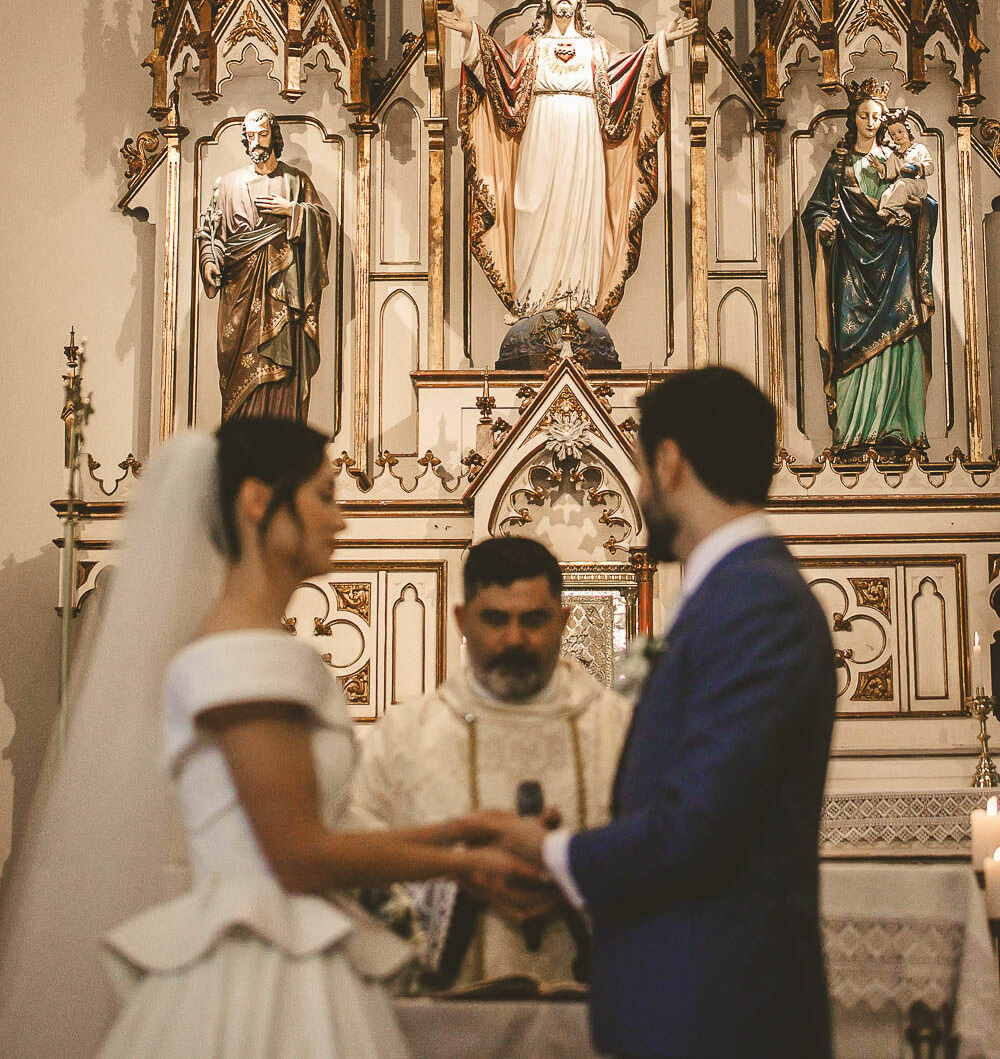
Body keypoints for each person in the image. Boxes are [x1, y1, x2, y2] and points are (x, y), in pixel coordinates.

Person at [0, 420, 547, 1058]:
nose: (340, 520)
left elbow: (303, 828)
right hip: (263, 968)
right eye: (325, 496)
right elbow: (299, 856)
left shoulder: (246, 646)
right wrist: (463, 864)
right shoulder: (246, 658)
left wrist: (461, 831)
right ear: (259, 500)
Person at [455, 368, 837, 1059]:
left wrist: (547, 850)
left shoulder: (756, 605)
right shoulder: (735, 594)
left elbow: (697, 829)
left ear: (669, 462)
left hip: (720, 1015)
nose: (638, 490)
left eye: (639, 468)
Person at [348, 536, 631, 988]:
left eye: (534, 620)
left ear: (563, 621)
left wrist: (575, 877)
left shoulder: (621, 729)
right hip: (449, 1006)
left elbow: (665, 853)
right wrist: (461, 879)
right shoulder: (403, 737)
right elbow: (358, 862)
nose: (515, 639)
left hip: (597, 1005)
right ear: (462, 621)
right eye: (495, 620)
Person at [440, 0, 696, 319]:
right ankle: (532, 302)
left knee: (580, 214)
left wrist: (663, 41)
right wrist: (471, 32)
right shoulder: (529, 48)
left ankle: (579, 302)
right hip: (540, 134)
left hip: (583, 136)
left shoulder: (597, 50)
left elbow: (633, 72)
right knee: (533, 208)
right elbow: (497, 72)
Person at [802, 82, 937, 452]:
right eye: (864, 115)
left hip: (896, 259)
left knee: (902, 334)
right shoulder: (840, 163)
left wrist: (917, 210)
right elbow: (816, 208)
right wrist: (822, 224)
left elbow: (926, 200)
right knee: (850, 340)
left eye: (877, 116)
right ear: (854, 117)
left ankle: (898, 429)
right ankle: (854, 433)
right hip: (852, 265)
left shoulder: (897, 158)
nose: (871, 122)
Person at [197, 108, 331, 421]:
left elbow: (322, 224)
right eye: (250, 135)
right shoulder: (227, 184)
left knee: (283, 363)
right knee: (238, 366)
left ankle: (281, 437)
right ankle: (241, 440)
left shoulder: (296, 181)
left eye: (262, 134)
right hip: (239, 290)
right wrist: (209, 260)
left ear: (274, 136)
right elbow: (210, 233)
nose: (256, 141)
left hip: (283, 289)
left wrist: (293, 210)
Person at [873, 107, 934, 225]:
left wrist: (918, 167)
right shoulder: (895, 155)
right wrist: (879, 166)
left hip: (917, 183)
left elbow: (930, 166)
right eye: (893, 134)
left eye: (900, 132)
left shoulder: (919, 148)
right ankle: (900, 216)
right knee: (886, 194)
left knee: (901, 185)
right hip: (901, 184)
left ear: (907, 130)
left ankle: (888, 210)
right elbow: (889, 172)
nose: (897, 136)